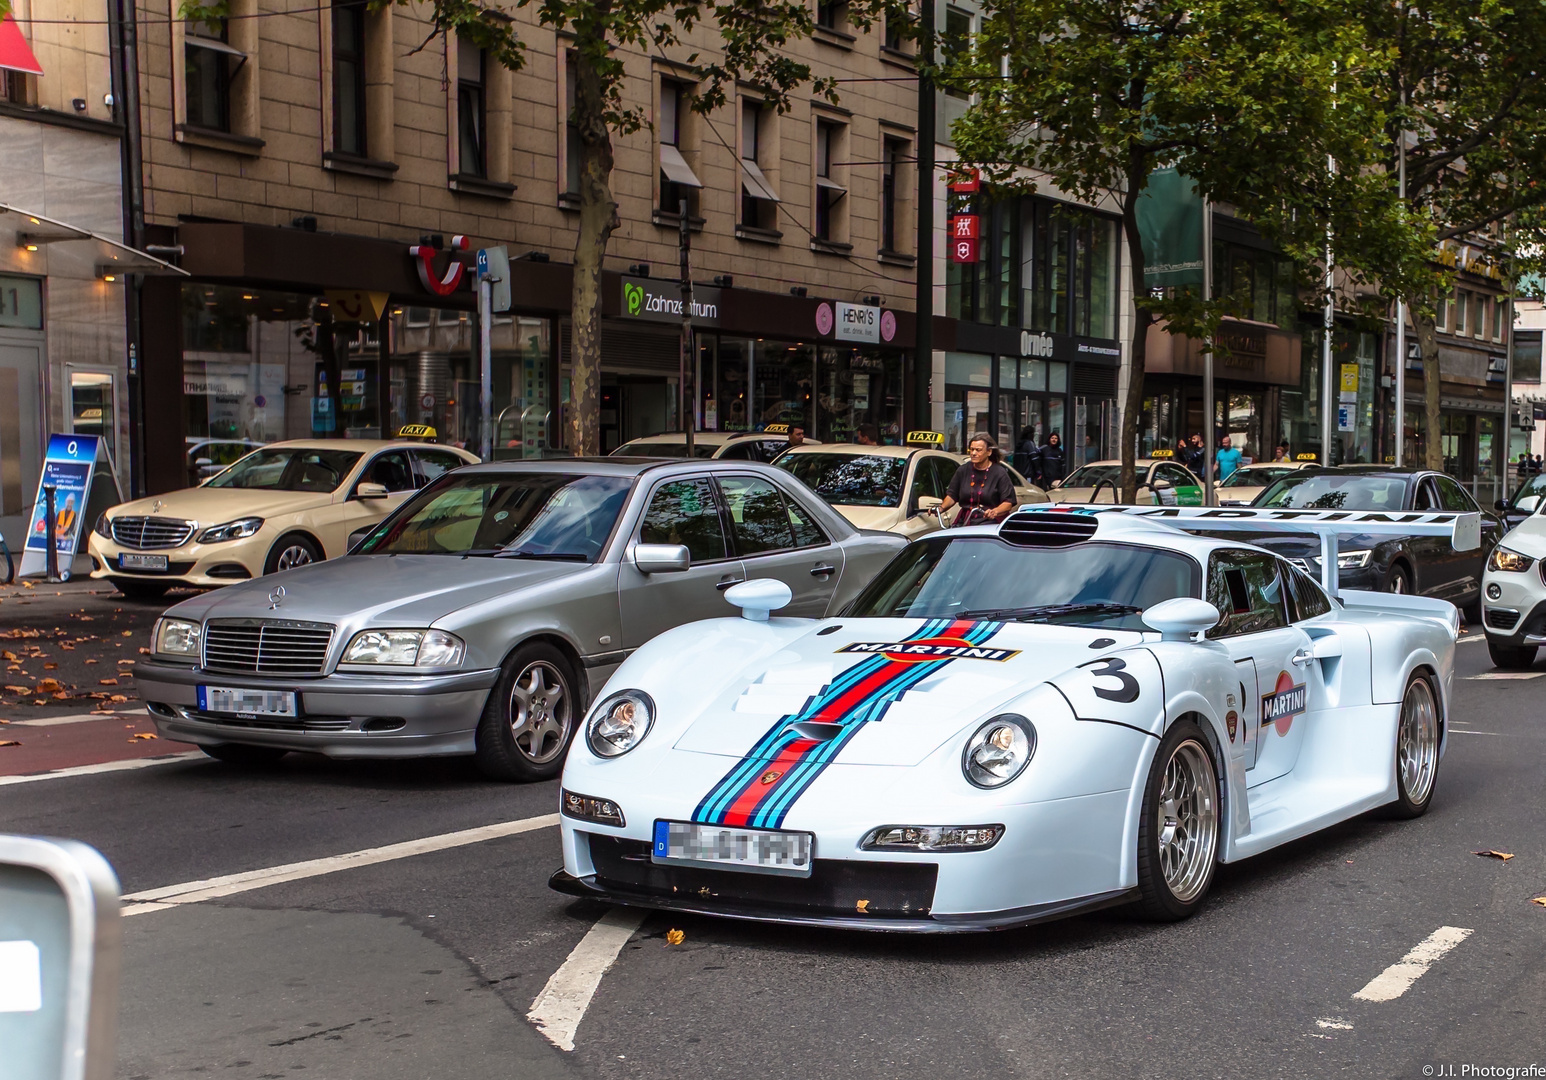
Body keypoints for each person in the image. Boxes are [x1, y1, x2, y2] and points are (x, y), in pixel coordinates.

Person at [939, 433, 1017, 527]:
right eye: (972, 449)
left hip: (990, 523)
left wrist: (994, 512)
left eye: (978, 450)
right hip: (965, 522)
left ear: (989, 452)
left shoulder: (999, 473)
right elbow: (952, 495)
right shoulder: (963, 470)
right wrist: (941, 508)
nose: (973, 453)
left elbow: (1008, 503)